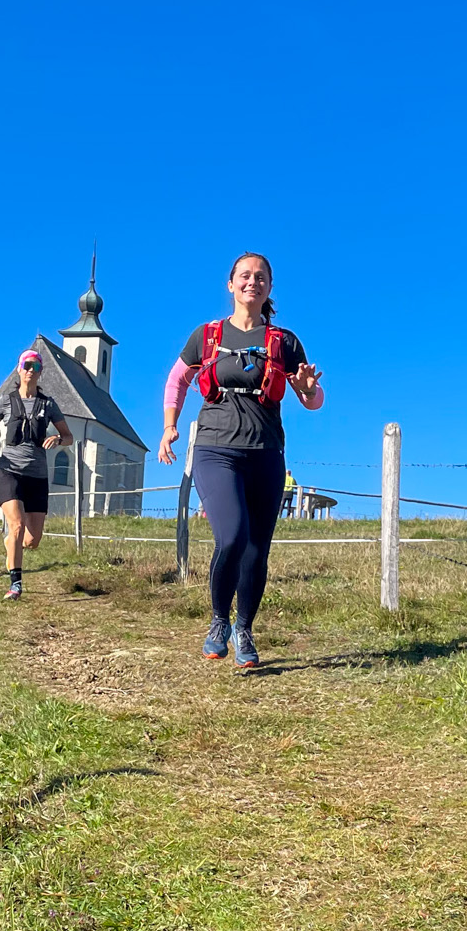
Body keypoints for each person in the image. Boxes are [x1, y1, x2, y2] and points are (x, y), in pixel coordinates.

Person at [158, 253, 324, 668]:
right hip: (216, 448)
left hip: (266, 452)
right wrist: (169, 425)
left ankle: (244, 628)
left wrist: (305, 389)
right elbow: (178, 379)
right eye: (245, 276)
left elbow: (315, 400)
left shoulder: (284, 342)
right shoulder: (207, 335)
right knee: (231, 536)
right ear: (230, 284)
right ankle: (218, 621)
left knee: (256, 549)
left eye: (261, 277)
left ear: (269, 287)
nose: (253, 282)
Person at [0, 350, 72, 601]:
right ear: (19, 369)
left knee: (32, 540)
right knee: (17, 525)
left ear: (40, 372)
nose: (30, 370)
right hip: (9, 470)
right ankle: (15, 584)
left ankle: (12, 543)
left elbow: (69, 436)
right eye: (26, 365)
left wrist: (57, 438)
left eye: (35, 366)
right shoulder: (6, 401)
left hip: (38, 476)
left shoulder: (48, 404)